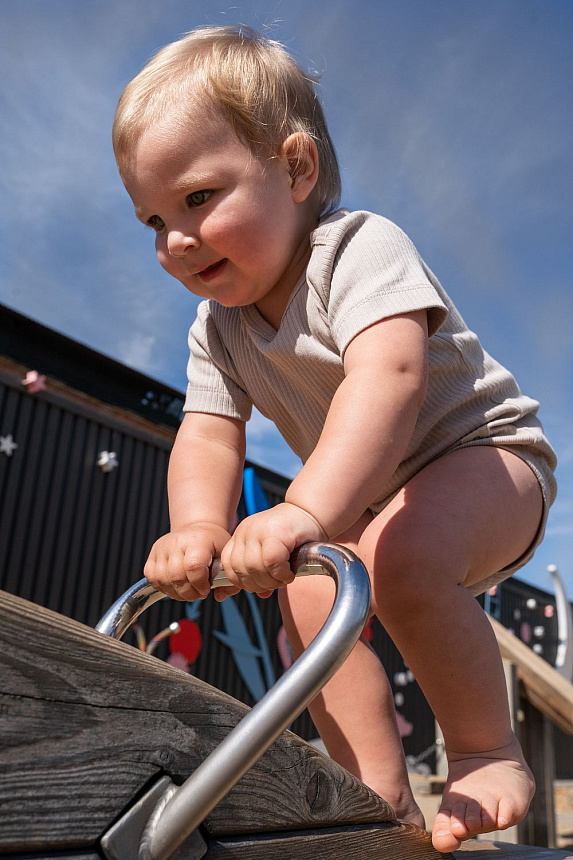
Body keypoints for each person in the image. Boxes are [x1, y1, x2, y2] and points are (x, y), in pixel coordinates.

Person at [112, 26, 557, 853]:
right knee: (309, 595)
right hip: (372, 493)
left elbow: (388, 377)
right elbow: (207, 433)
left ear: (296, 167)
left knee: (402, 554)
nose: (174, 240)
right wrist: (198, 527)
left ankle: (486, 751)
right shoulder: (218, 331)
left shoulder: (355, 249)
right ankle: (377, 794)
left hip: (485, 458)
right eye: (152, 219)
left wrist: (306, 506)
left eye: (198, 198)